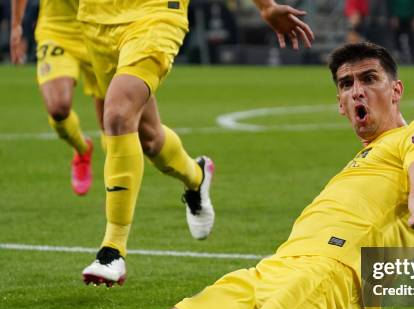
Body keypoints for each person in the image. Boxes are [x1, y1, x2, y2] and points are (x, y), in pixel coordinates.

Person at [121, 42, 414, 309]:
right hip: (275, 269)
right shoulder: (365, 157)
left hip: (331, 274)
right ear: (341, 106)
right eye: (346, 84)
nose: (357, 90)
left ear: (396, 90)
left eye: (369, 78)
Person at [79, 0, 315, 286]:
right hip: (95, 20)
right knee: (149, 138)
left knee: (117, 115)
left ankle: (112, 250)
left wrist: (264, 6)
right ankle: (196, 175)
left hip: (155, 15)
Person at [10, 0, 104, 196]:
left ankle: (116, 198)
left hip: (100, 28)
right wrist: (17, 26)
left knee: (114, 124)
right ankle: (81, 148)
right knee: (57, 107)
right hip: (57, 29)